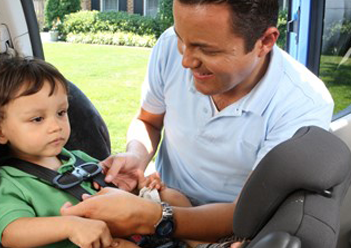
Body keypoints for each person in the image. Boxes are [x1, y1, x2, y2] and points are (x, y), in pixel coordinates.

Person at [60, 0, 334, 244]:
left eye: (207, 50)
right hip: (161, 198)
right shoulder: (171, 46)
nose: (186, 60)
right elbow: (149, 121)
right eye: (182, 39)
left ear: (265, 41)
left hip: (231, 230)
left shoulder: (302, 105)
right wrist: (136, 154)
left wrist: (152, 217)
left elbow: (245, 214)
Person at [0, 57, 191, 248]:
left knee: (172, 197)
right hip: (97, 242)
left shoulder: (79, 159)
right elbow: (12, 233)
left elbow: (117, 197)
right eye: (37, 119)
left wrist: (138, 189)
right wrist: (69, 226)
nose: (56, 126)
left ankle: (205, 244)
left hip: (129, 228)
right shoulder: (11, 181)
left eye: (61, 112)